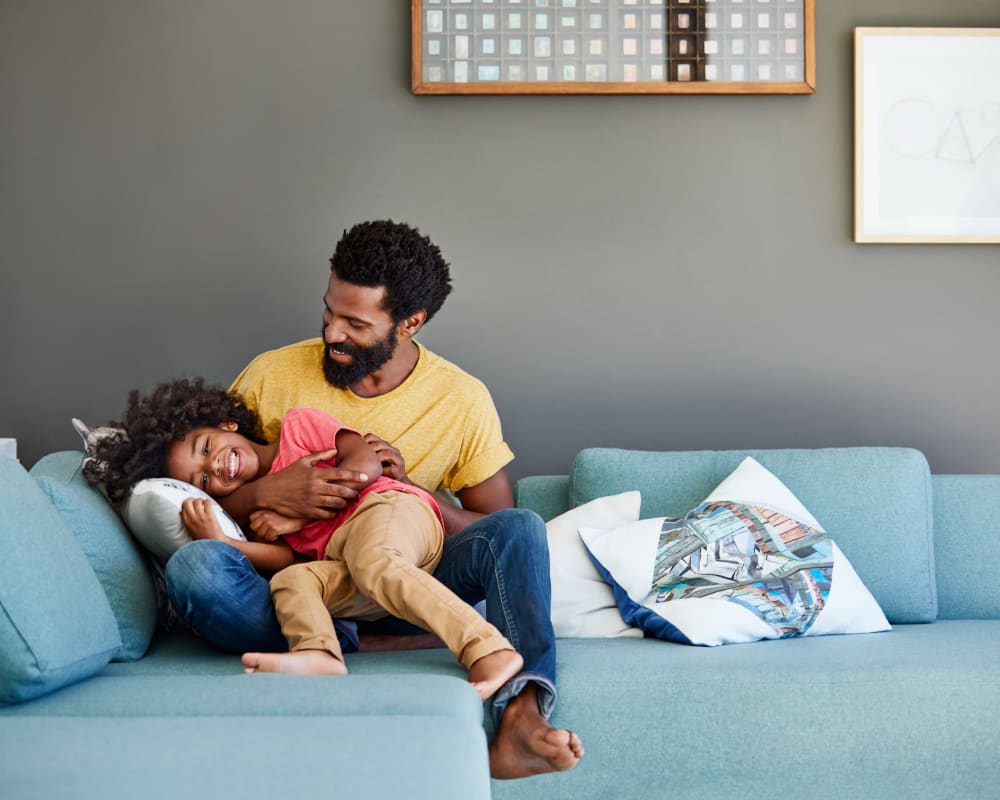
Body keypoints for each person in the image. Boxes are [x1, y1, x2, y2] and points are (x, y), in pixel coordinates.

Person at [163, 219, 583, 778]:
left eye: (354, 323)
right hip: (318, 580)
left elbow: (492, 530)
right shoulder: (270, 376)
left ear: (410, 323)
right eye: (328, 312)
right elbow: (219, 475)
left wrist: (406, 490)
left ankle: (521, 716)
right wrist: (269, 492)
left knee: (522, 528)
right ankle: (350, 642)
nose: (332, 333)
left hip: (410, 559)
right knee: (197, 571)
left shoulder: (461, 400)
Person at [86, 378, 525, 699]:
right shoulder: (257, 510)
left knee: (375, 560)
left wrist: (310, 500)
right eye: (202, 479)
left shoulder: (298, 429)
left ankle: (486, 648)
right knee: (292, 585)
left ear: (226, 424)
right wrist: (222, 541)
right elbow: (284, 561)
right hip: (346, 558)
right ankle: (321, 655)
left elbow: (365, 462)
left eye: (205, 447)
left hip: (392, 510)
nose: (215, 467)